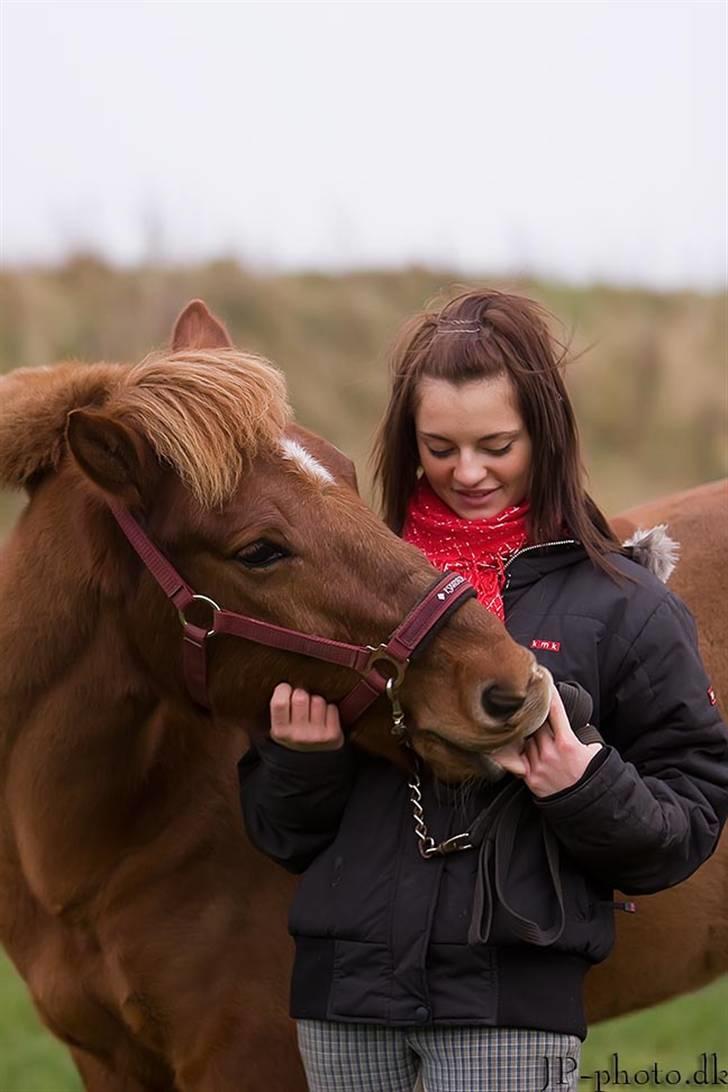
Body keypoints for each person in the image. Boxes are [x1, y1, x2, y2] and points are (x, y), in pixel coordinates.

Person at [238, 289, 728, 1092]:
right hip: (343, 1010)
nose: (466, 472)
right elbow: (280, 835)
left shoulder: (627, 606)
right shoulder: (346, 591)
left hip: (511, 1008)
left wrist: (586, 784)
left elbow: (688, 822)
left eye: (495, 444)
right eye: (439, 446)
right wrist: (303, 760)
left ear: (546, 435)